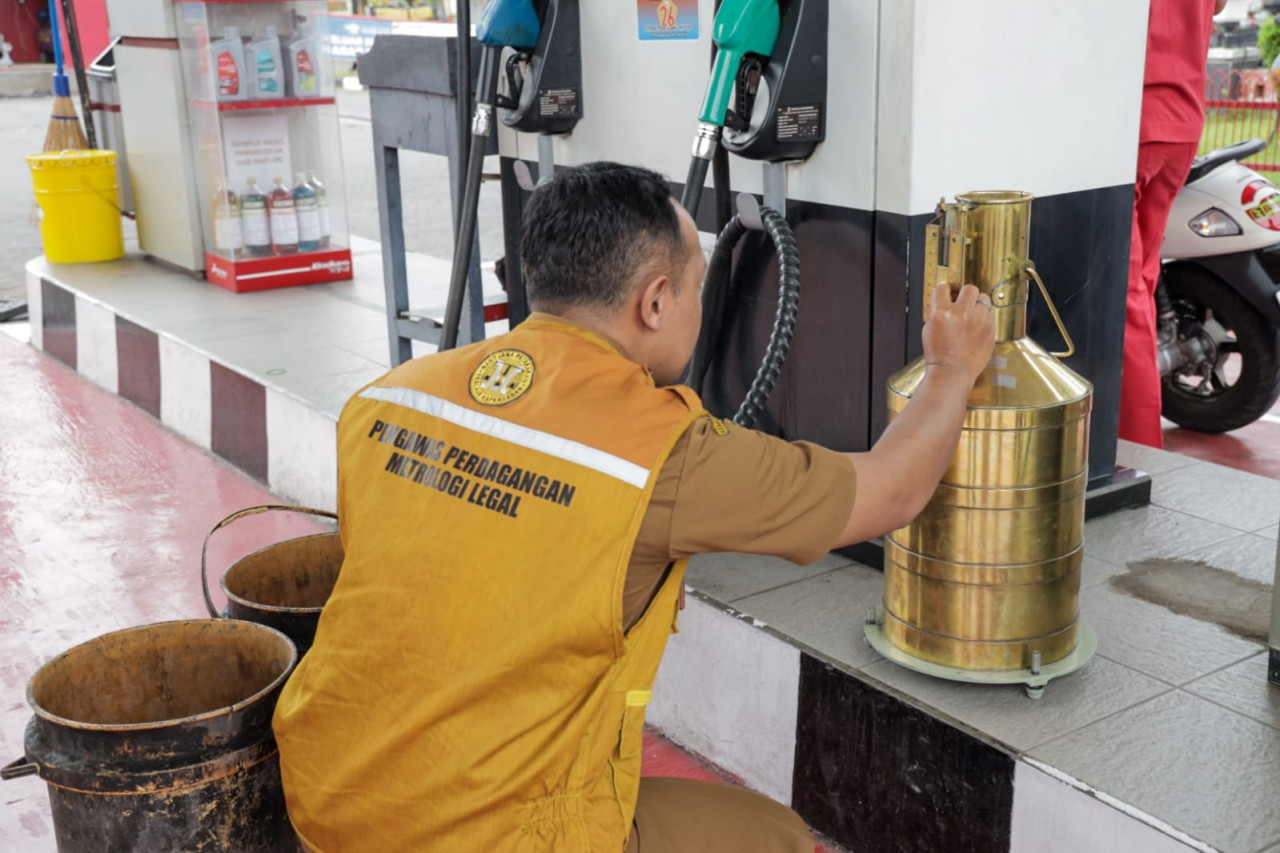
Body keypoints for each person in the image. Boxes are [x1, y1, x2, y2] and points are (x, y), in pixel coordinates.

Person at [272, 162, 995, 852]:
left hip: (324, 794)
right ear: (654, 302)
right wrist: (951, 366)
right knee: (772, 837)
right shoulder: (662, 453)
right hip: (481, 834)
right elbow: (892, 490)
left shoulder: (388, 398)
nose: (699, 308)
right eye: (696, 289)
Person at [1120, 0, 1228, 447]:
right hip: (1180, 121)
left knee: (1120, 299)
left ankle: (1137, 449)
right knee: (1140, 288)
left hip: (1131, 119)